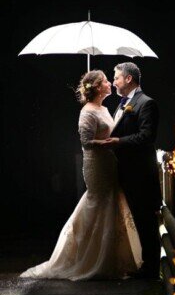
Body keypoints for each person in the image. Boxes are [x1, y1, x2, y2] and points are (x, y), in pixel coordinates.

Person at [20, 70, 142, 281]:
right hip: (97, 164)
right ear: (96, 87)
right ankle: (91, 259)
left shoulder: (104, 108)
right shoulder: (87, 111)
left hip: (109, 163)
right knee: (98, 202)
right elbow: (86, 142)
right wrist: (108, 144)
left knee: (111, 202)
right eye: (105, 81)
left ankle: (112, 258)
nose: (109, 83)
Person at [101, 62, 161, 279]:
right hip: (126, 173)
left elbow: (147, 137)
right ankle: (146, 266)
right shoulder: (122, 103)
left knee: (145, 221)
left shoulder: (146, 103)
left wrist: (118, 141)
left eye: (116, 77)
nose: (113, 81)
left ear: (128, 79)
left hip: (140, 175)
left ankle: (151, 269)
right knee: (138, 219)